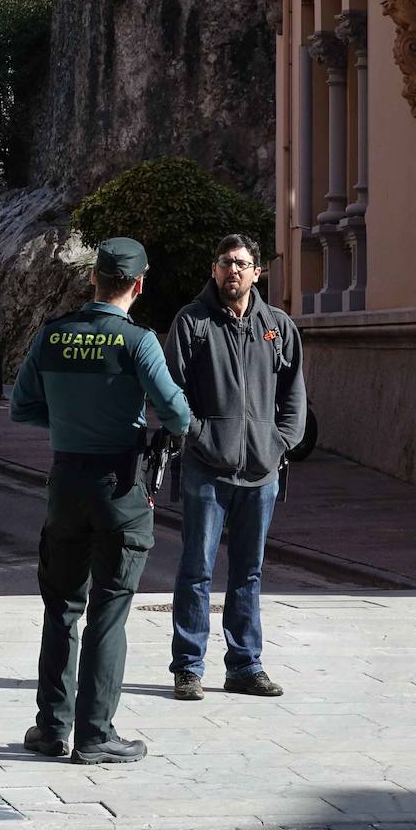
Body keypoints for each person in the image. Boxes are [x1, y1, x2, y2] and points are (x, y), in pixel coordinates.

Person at [10, 236, 191, 765]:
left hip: (65, 481)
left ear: (93, 280)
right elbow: (176, 416)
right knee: (109, 611)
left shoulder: (52, 335)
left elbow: (22, 409)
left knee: (61, 607)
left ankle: (50, 728)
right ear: (138, 284)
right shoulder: (138, 341)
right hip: (121, 482)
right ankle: (95, 735)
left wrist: (66, 425)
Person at [164, 234, 306, 701]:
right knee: (196, 569)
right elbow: (171, 394)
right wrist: (200, 436)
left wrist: (280, 441)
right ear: (214, 267)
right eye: (226, 262)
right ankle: (188, 667)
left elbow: (294, 393)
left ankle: (245, 665)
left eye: (243, 264)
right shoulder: (192, 322)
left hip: (261, 472)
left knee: (249, 572)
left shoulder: (277, 326)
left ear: (257, 273)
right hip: (206, 470)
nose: (234, 271)